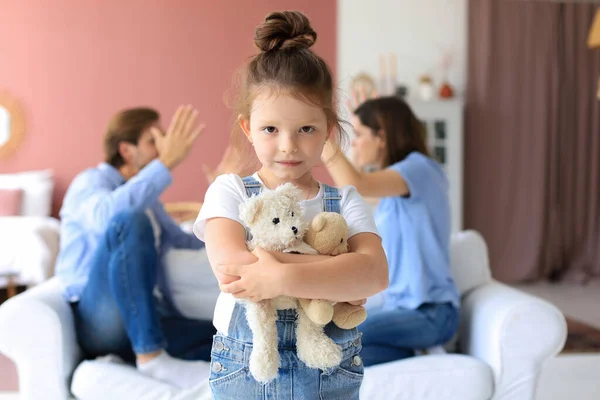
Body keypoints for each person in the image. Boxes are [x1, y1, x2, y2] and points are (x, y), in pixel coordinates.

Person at [193, 11, 388, 399]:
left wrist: (279, 276)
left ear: (328, 132)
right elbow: (233, 272)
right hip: (246, 370)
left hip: (328, 372)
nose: (288, 145)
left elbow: (375, 274)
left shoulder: (344, 201)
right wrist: (335, 272)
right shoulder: (230, 192)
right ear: (248, 128)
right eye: (270, 129)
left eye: (306, 129)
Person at [54, 105, 216, 389]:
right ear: (127, 150)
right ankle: (151, 355)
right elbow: (107, 218)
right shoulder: (90, 181)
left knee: (229, 336)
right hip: (100, 321)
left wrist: (219, 204)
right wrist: (164, 165)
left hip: (149, 318)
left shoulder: (147, 198)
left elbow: (184, 240)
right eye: (154, 140)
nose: (163, 147)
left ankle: (143, 356)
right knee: (129, 220)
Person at [321, 94, 461, 367]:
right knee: (348, 357)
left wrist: (322, 134)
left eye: (359, 134)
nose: (355, 142)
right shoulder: (391, 193)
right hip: (400, 310)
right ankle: (421, 357)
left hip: (431, 314)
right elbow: (351, 191)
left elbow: (355, 185)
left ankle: (423, 352)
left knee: (335, 335)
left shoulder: (421, 168)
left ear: (382, 137)